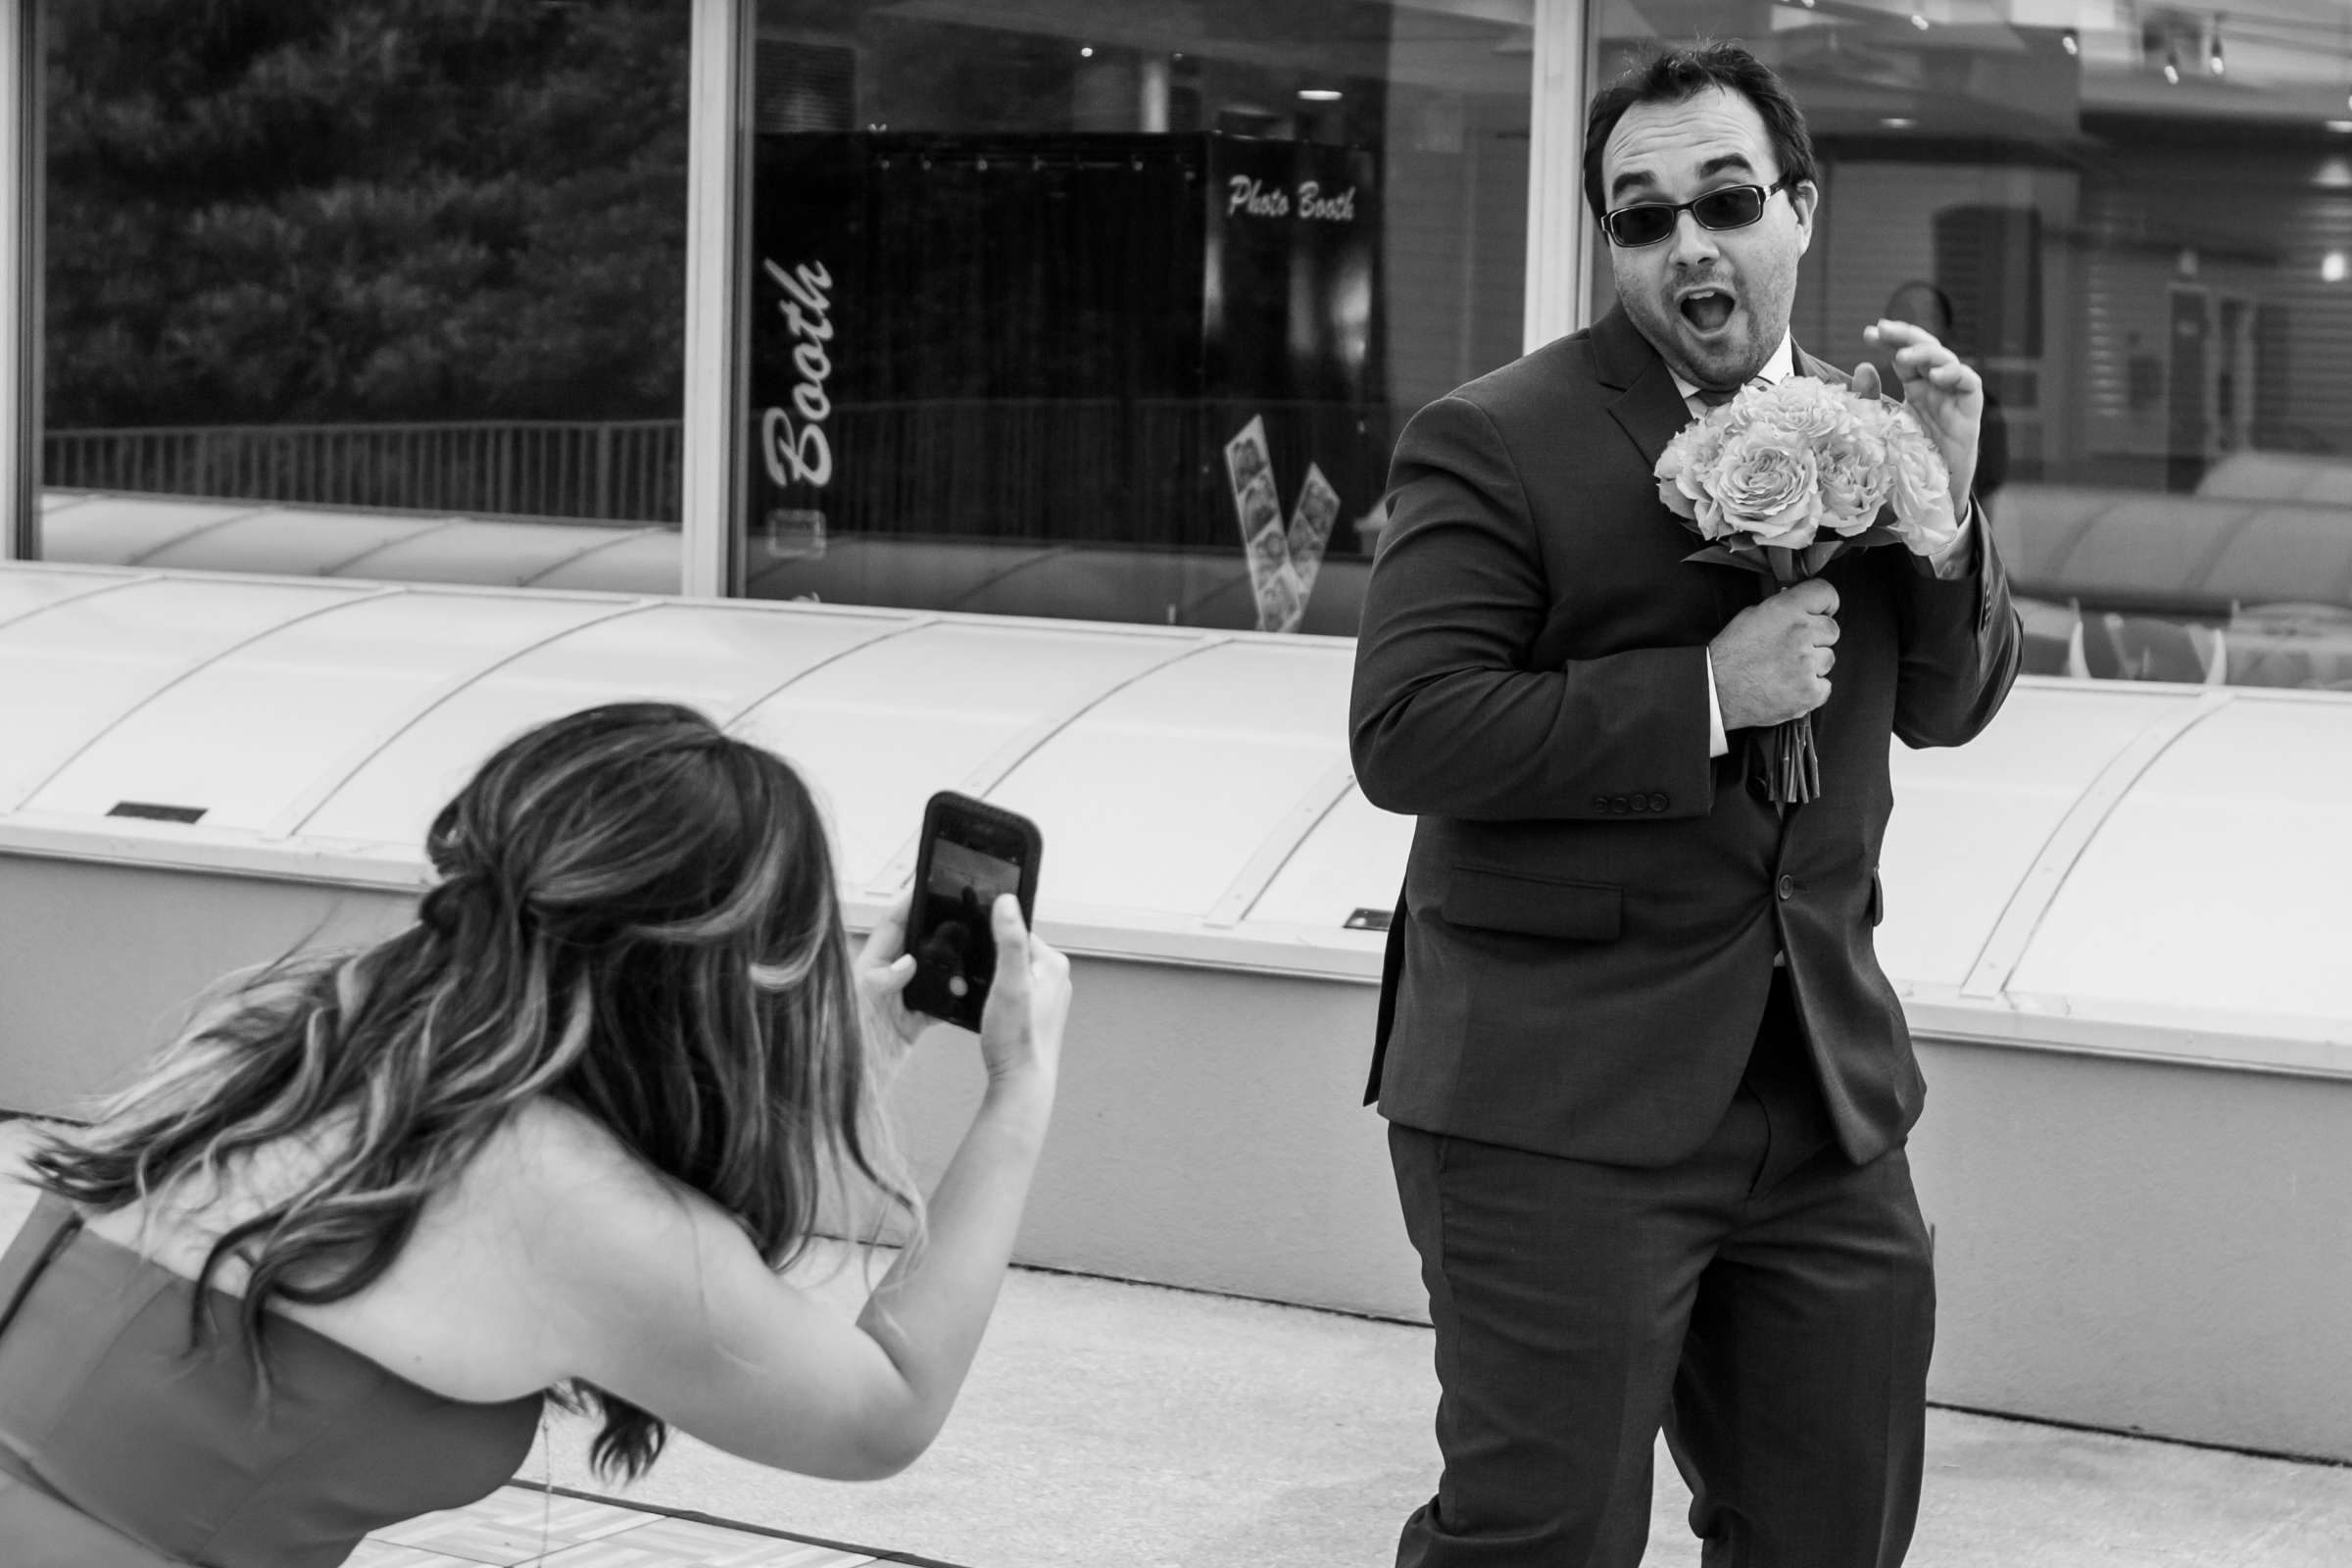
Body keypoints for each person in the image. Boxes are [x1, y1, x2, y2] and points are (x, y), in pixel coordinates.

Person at [1349, 43, 2021, 1568]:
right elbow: (1405, 730)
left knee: (1830, 1535)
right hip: (1552, 1102)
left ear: (1799, 208)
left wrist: (1951, 505)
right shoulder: (1493, 436)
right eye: (1641, 219)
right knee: (1544, 1543)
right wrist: (1705, 692)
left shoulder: (1874, 434)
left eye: (1724, 201)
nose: (1686, 245)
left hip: (1823, 1098)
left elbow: (1947, 704)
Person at [0, 701, 1071, 1564]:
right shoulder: (564, 1201)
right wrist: (1018, 1087)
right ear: (723, 976)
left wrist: (862, 1054)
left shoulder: (301, 1030)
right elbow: (887, 1406)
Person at [1884, 279, 2009, 516]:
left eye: (1927, 316)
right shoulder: (1862, 395)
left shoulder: (1977, 409)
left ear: (1949, 331)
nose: (1915, 324)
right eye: (1904, 314)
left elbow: (1987, 510)